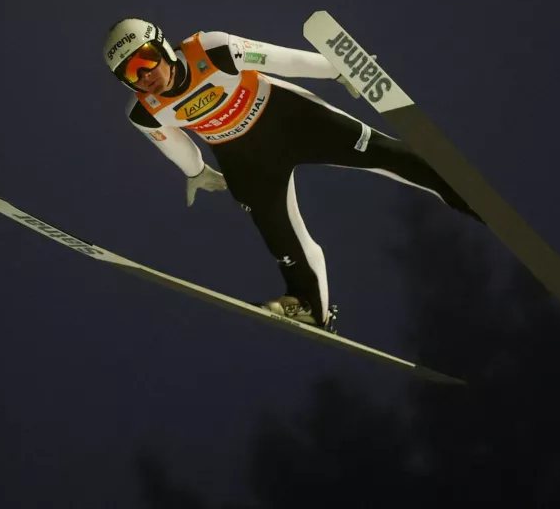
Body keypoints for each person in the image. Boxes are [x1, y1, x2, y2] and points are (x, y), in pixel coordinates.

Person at [103, 17, 482, 332]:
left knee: (385, 154)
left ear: (164, 46)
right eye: (131, 74)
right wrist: (197, 171)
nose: (145, 76)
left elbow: (277, 59)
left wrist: (335, 71)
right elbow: (174, 144)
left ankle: (463, 193)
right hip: (243, 159)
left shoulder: (211, 49)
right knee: (280, 235)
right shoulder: (144, 111)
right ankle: (309, 305)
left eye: (147, 60)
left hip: (290, 120)